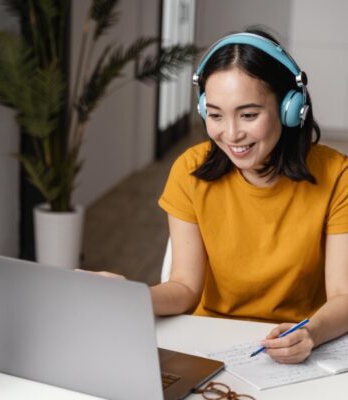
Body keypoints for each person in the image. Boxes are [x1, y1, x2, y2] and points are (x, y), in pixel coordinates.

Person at [149, 27, 348, 364]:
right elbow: (184, 288)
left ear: (291, 107)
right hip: (206, 343)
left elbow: (343, 296)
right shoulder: (189, 171)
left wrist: (310, 333)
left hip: (298, 343)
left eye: (249, 115)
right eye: (215, 115)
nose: (231, 134)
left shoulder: (337, 176)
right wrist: (125, 298)